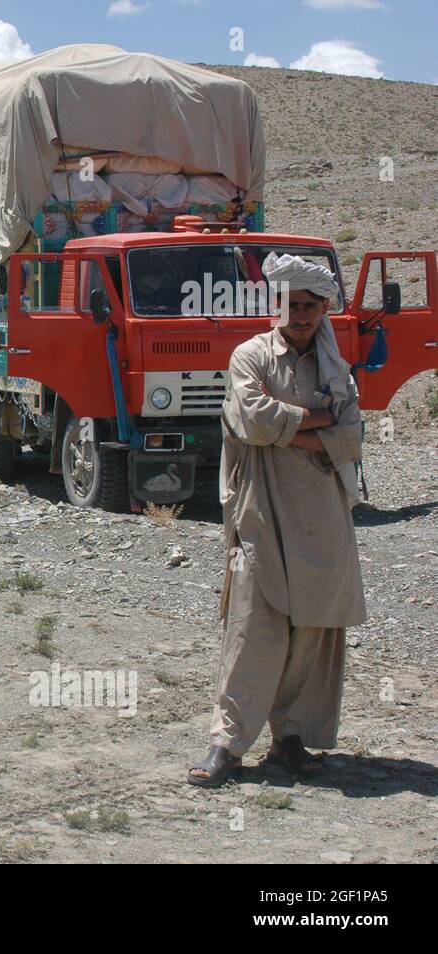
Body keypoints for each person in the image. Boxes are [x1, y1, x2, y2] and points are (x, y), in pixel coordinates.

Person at [189, 252, 366, 787]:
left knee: (310, 628)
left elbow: (351, 435)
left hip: (321, 516)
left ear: (323, 308)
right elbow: (250, 419)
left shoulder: (336, 369)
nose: (302, 314)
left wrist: (290, 429)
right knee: (253, 625)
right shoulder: (250, 356)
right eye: (292, 304)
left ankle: (289, 734)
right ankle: (227, 744)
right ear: (276, 304)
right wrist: (315, 425)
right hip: (260, 510)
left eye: (311, 305)